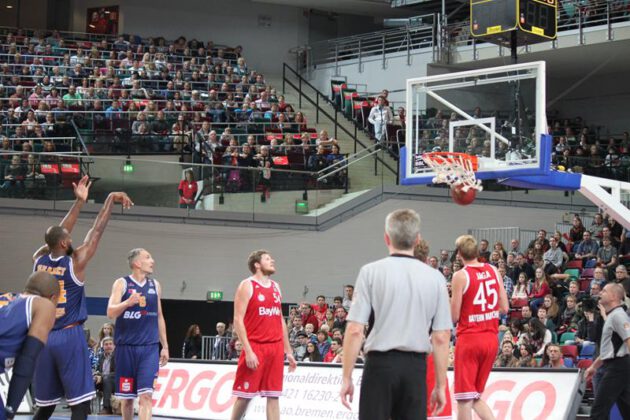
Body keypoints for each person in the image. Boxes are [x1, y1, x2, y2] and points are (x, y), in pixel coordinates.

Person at [31, 177, 133, 419]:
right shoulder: (75, 262)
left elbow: (56, 235)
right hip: (69, 334)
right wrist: (109, 199)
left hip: (42, 336)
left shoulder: (38, 260)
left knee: (45, 407)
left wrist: (78, 203)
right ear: (65, 242)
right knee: (81, 404)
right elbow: (96, 229)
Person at [340, 209, 452, 419]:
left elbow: (355, 330)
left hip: (379, 366)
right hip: (415, 368)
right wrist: (440, 384)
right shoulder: (435, 278)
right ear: (417, 239)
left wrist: (346, 377)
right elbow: (441, 336)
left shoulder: (370, 272)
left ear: (386, 237)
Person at [230, 250, 297, 420]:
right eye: (268, 259)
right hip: (255, 346)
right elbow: (238, 320)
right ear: (257, 264)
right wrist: (248, 350)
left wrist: (288, 351)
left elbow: (280, 319)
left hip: (275, 348)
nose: (273, 260)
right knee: (244, 396)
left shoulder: (276, 286)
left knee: (273, 396)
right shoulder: (247, 285)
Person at [450, 234, 508, 420]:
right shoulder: (493, 270)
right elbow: (505, 308)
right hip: (491, 339)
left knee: (464, 399)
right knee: (474, 396)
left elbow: (454, 316)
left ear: (459, 254)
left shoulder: (460, 275)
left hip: (470, 339)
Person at [106, 248, 169, 420]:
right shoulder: (122, 283)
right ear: (137, 263)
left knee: (146, 397)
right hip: (125, 349)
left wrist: (165, 346)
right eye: (148, 257)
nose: (152, 261)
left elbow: (160, 316)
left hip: (148, 348)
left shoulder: (155, 285)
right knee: (127, 400)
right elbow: (110, 312)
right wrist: (127, 302)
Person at [1, 272, 59, 419]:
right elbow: (26, 362)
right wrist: (10, 409)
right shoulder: (45, 305)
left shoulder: (8, 299)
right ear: (53, 297)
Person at [585, 283, 630, 419]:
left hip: (618, 367)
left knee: (599, 410)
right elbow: (609, 349)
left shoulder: (618, 316)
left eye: (604, 291)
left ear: (614, 296)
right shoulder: (612, 316)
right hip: (618, 365)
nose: (600, 293)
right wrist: (594, 366)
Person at [93, 337, 116, 415]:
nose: (108, 346)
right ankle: (84, 408)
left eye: (110, 344)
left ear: (114, 346)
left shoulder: (118, 356)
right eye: (106, 344)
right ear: (103, 346)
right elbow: (97, 370)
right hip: (103, 380)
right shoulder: (101, 356)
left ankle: (107, 408)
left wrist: (102, 376)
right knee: (90, 380)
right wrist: (96, 375)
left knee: (107, 379)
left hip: (115, 382)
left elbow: (117, 372)